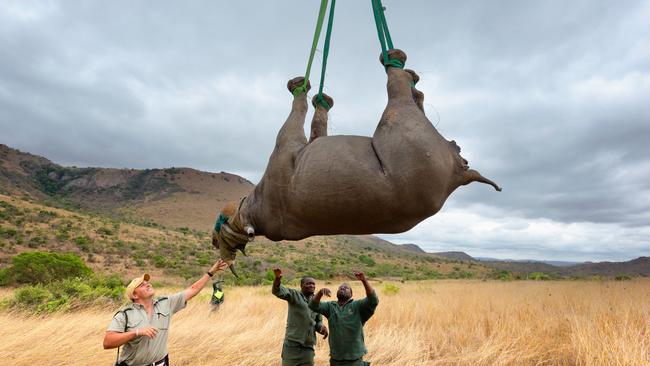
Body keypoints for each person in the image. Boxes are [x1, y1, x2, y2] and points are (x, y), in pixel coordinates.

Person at [103, 259, 229, 366]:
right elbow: (108, 342)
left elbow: (192, 289)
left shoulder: (165, 303)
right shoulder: (125, 314)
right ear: (134, 295)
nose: (147, 284)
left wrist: (211, 272)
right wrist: (137, 332)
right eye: (142, 284)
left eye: (147, 282)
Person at [309, 271, 378, 366]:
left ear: (351, 294)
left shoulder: (357, 306)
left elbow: (373, 300)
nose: (342, 288)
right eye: (340, 288)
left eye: (346, 288)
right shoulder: (330, 306)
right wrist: (320, 293)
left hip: (354, 358)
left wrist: (364, 280)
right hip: (336, 358)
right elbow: (313, 305)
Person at [273, 267, 329, 366]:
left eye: (313, 284)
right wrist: (277, 279)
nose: (312, 286)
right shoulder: (294, 295)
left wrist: (321, 327)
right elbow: (278, 291)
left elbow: (318, 321)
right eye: (308, 283)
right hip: (292, 345)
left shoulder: (316, 302)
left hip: (308, 347)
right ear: (301, 285)